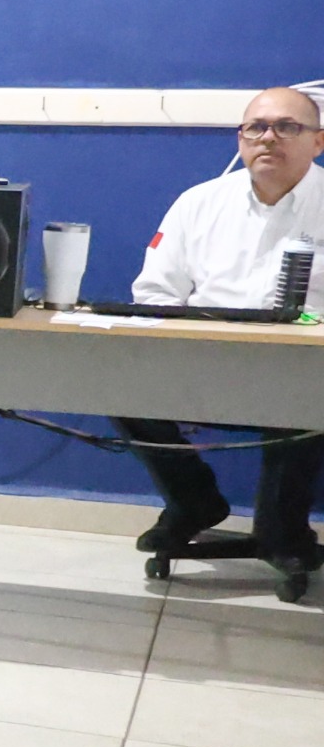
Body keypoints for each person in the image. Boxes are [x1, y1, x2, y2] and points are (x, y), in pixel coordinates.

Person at [115, 87, 324, 566]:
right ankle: (194, 502)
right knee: (119, 382)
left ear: (318, 142)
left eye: (287, 127)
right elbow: (154, 292)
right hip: (203, 361)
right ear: (241, 139)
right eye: (256, 128)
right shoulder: (199, 203)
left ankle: (283, 532)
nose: (269, 138)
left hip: (304, 368)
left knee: (312, 391)